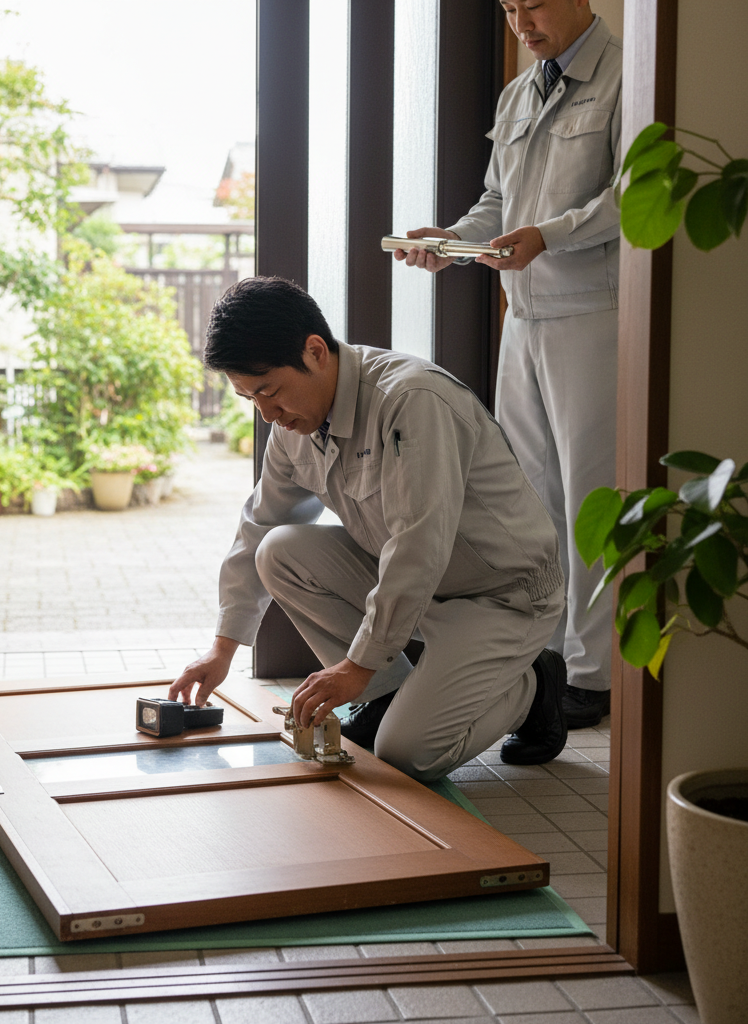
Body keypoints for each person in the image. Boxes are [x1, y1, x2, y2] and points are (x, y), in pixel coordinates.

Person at [169, 276, 568, 781]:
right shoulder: (293, 427)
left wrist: (355, 668)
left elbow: (418, 544)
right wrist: (223, 649)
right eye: (251, 399)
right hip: (423, 589)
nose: (268, 414)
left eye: (269, 391)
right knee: (278, 550)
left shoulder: (411, 399)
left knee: (407, 755)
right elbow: (259, 523)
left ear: (315, 351)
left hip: (502, 595)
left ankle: (533, 686)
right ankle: (387, 695)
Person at [396, 0, 621, 729]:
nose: (522, 22)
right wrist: (453, 239)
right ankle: (543, 664)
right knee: (531, 502)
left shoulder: (627, 75)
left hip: (594, 316)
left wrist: (548, 237)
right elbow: (498, 201)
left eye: (536, 4)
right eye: (508, 7)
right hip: (520, 319)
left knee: (592, 497)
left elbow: (632, 197)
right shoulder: (519, 91)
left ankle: (596, 674)